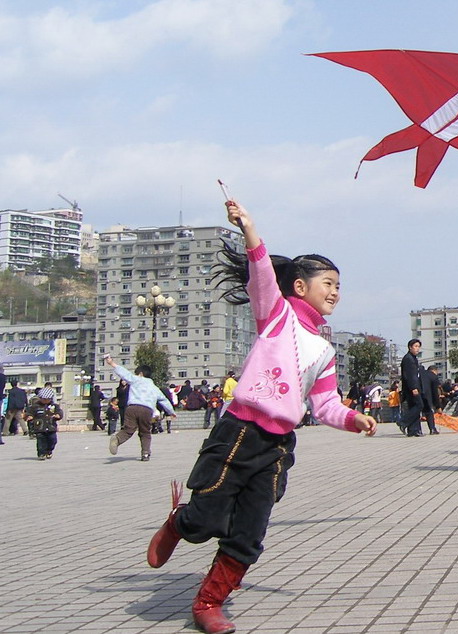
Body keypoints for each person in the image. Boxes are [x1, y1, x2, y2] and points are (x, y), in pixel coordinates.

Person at [145, 197, 377, 634]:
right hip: (238, 433)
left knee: (249, 534)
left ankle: (208, 603)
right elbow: (262, 274)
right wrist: (248, 227)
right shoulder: (276, 315)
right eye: (327, 283)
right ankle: (179, 521)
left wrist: (353, 418)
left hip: (275, 447)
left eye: (339, 286)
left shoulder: (325, 350)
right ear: (299, 287)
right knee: (205, 519)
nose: (335, 292)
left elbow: (324, 405)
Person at [104, 355, 176, 461]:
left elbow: (124, 373)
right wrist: (171, 412)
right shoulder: (154, 388)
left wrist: (112, 363)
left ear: (140, 374)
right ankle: (145, 454)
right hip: (146, 410)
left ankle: (117, 439)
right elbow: (164, 400)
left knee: (128, 430)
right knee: (145, 432)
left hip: (132, 408)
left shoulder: (136, 380)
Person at [25, 387, 62, 460]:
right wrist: (29, 416)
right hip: (40, 428)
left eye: (47, 399)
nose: (45, 400)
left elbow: (59, 412)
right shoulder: (35, 406)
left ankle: (49, 451)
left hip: (51, 427)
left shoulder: (54, 406)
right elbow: (29, 413)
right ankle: (41, 453)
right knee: (41, 442)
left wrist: (58, 415)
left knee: (53, 440)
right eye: (43, 399)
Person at [400, 339, 424, 436]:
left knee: (413, 407)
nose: (417, 349)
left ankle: (413, 430)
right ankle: (403, 422)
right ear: (410, 347)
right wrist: (414, 388)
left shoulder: (413, 358)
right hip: (411, 388)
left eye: (418, 346)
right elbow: (409, 375)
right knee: (419, 405)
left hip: (412, 387)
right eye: (415, 346)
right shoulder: (408, 359)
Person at [420, 366, 441, 434]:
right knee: (429, 412)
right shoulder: (433, 376)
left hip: (417, 395)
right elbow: (435, 393)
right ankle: (432, 429)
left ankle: (416, 429)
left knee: (417, 412)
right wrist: (438, 406)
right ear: (434, 370)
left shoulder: (421, 374)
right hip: (427, 397)